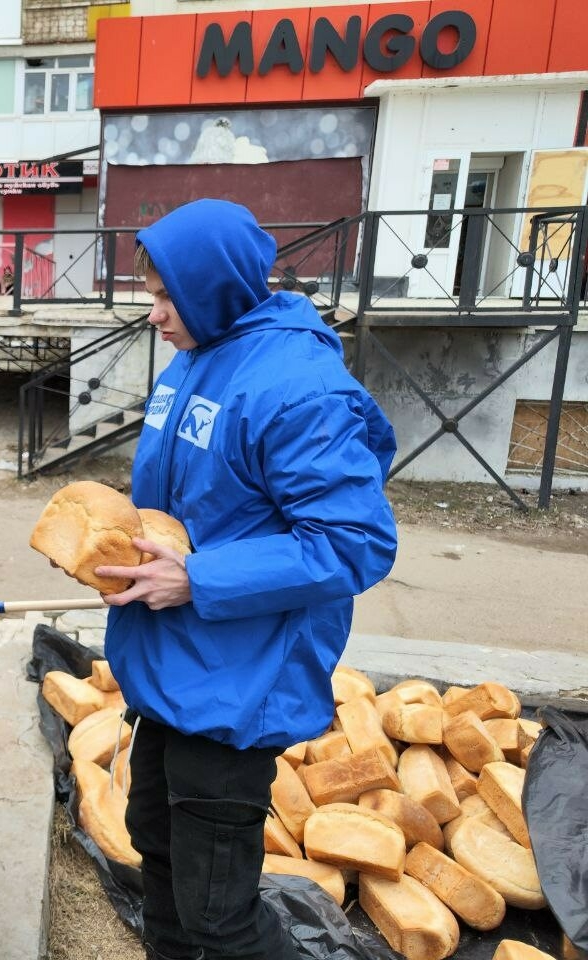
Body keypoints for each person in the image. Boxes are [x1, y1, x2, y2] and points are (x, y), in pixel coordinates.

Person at [93, 199, 398, 960]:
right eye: (152, 295)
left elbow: (354, 541)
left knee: (218, 916)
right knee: (154, 852)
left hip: (239, 682)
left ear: (218, 286)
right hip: (174, 666)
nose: (156, 316)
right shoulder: (201, 351)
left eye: (167, 297)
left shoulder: (298, 387)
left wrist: (198, 578)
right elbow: (198, 498)